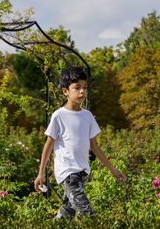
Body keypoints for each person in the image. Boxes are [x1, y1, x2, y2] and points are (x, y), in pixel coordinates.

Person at [34, 66, 126, 220]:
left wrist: (112, 169)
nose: (82, 91)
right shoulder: (59, 116)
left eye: (84, 87)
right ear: (65, 91)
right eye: (77, 88)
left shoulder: (87, 116)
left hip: (83, 173)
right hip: (67, 173)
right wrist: (40, 173)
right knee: (88, 214)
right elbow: (48, 145)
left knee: (66, 214)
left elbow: (94, 146)